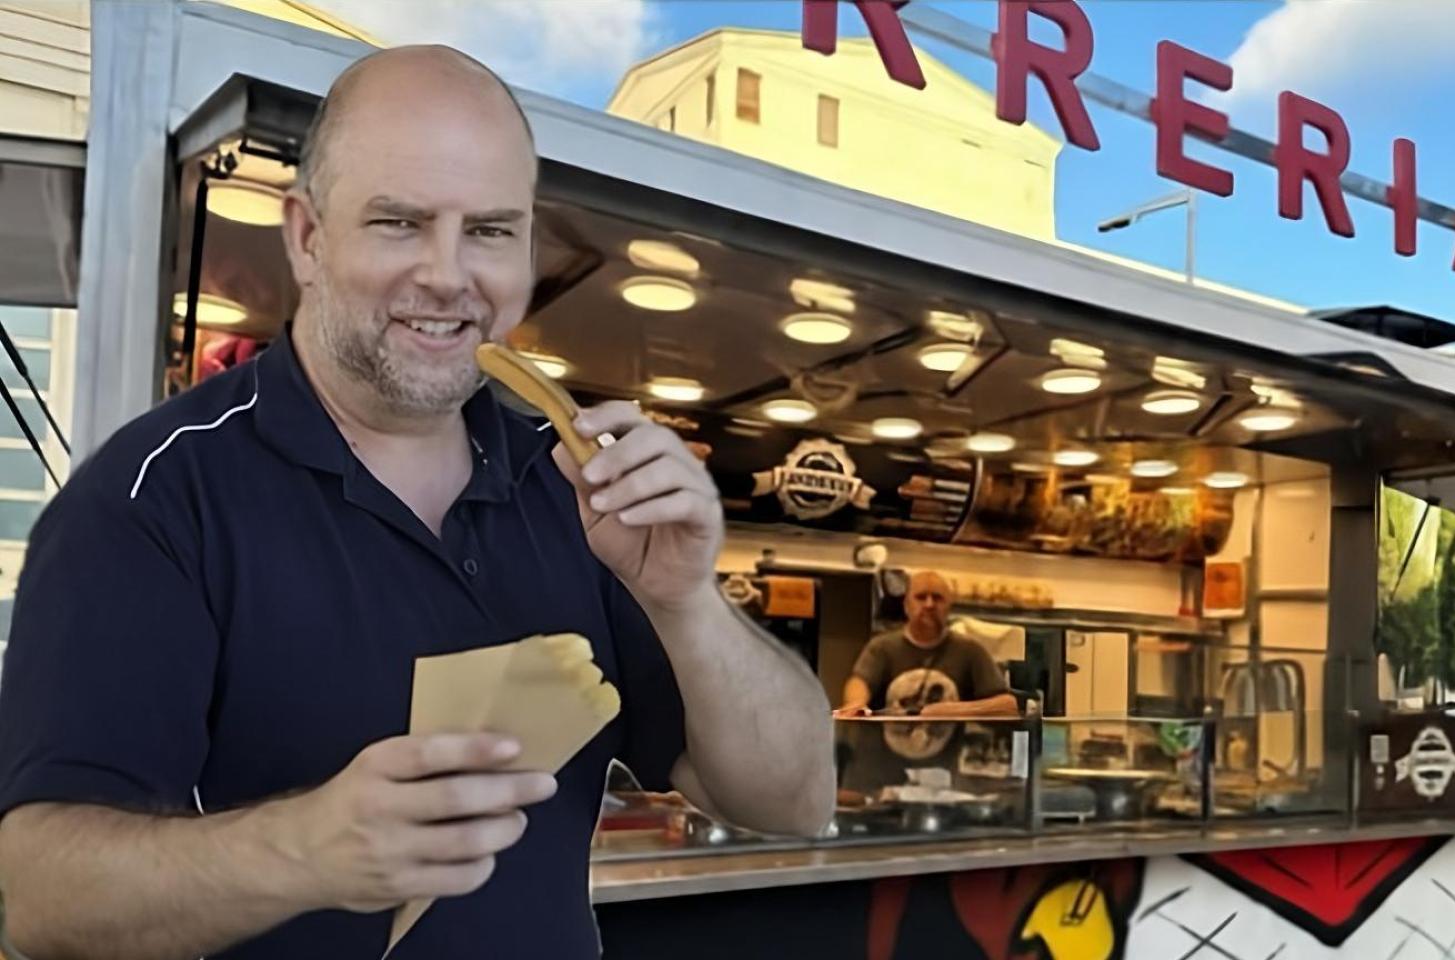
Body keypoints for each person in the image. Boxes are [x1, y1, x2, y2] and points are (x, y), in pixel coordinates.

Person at [0, 46, 832, 960]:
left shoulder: (573, 487)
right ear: (308, 238)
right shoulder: (156, 496)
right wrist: (306, 851)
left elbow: (794, 800)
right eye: (400, 222)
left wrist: (687, 601)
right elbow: (40, 897)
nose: (448, 275)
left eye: (490, 231)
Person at [834, 571, 1017, 720]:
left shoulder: (970, 650)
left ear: (949, 606)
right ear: (906, 605)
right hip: (884, 755)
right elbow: (860, 682)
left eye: (937, 598)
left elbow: (1008, 705)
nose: (929, 604)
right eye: (921, 597)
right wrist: (856, 704)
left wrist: (950, 711)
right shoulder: (881, 647)